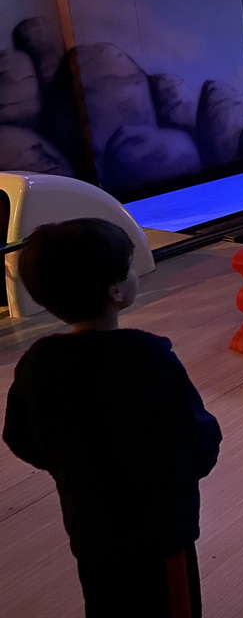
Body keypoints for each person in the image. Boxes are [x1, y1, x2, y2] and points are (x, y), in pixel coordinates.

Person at [2, 218, 222, 618]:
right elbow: (197, 443)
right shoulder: (150, 360)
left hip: (91, 528)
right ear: (116, 291)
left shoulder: (37, 364)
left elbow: (21, 437)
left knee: (106, 604)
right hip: (161, 533)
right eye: (129, 267)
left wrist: (74, 465)